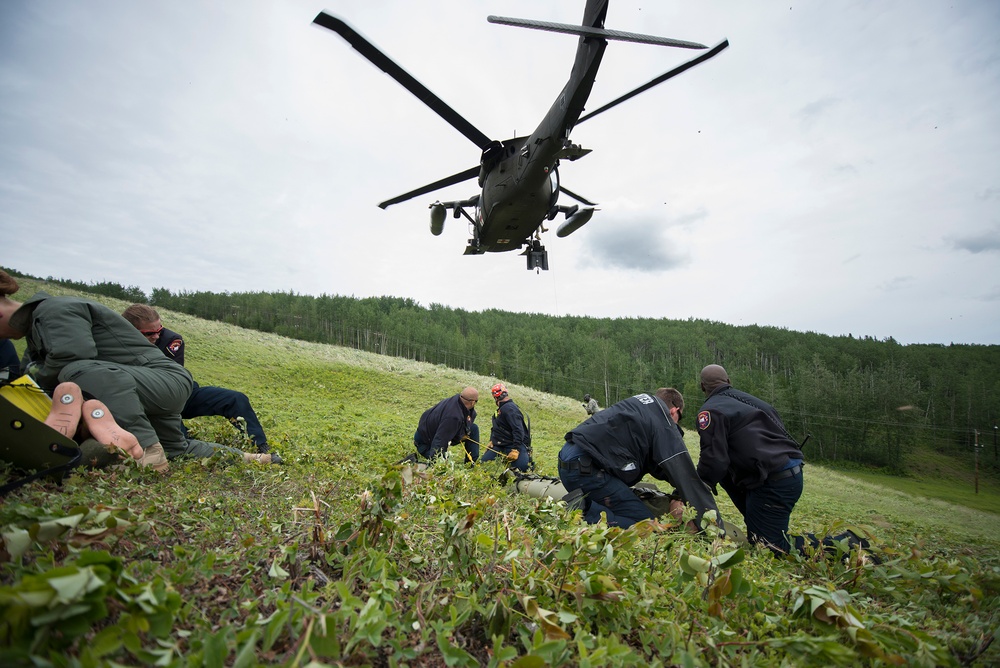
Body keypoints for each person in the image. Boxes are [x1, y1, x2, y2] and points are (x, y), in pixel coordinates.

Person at [0, 270, 184, 471]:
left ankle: (148, 452)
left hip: (162, 379)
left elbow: (71, 357)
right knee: (176, 449)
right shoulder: (36, 330)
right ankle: (220, 453)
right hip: (139, 388)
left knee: (75, 370)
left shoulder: (54, 310)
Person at [695, 364, 865, 556]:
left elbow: (714, 459)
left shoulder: (711, 411)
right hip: (788, 473)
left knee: (772, 547)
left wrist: (696, 485)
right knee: (760, 536)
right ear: (728, 381)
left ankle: (849, 544)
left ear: (702, 386)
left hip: (773, 481)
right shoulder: (757, 403)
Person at [557, 388, 721, 529]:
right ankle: (584, 512)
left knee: (624, 504)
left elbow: (656, 464)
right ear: (674, 411)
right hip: (586, 470)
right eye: (679, 418)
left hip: (568, 460)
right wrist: (710, 523)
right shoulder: (662, 421)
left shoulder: (640, 408)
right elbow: (681, 469)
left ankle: (587, 507)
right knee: (644, 523)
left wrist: (677, 494)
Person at [121, 304, 271, 454]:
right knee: (180, 445)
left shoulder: (171, 340)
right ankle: (186, 438)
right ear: (130, 331)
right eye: (149, 333)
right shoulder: (116, 347)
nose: (156, 336)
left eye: (159, 330)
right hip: (149, 402)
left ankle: (259, 445)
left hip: (178, 393)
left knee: (235, 399)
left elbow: (172, 382)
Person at [414, 387, 481, 462]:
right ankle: (417, 462)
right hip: (425, 443)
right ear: (472, 402)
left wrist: (461, 435)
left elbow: (466, 423)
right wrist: (437, 462)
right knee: (446, 463)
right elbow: (440, 440)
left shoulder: (458, 402)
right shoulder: (453, 417)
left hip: (437, 432)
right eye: (476, 401)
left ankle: (471, 462)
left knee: (473, 429)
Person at [481, 382, 533, 472]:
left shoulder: (510, 409)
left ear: (495, 397)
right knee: (484, 463)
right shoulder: (501, 410)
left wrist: (516, 449)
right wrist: (492, 440)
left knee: (521, 469)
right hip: (499, 444)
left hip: (514, 444)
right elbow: (496, 428)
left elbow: (518, 430)